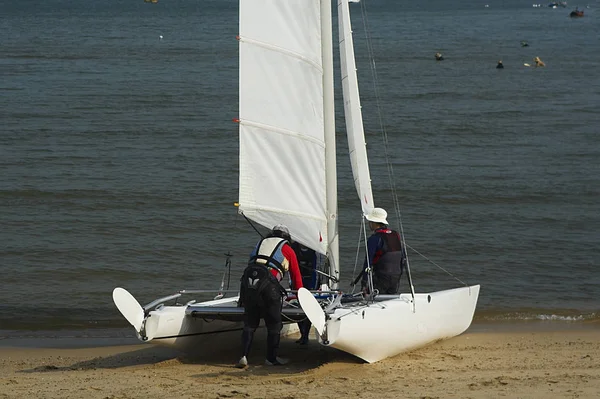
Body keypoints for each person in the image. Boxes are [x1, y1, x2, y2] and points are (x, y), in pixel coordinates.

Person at [236, 225, 304, 368]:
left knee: (250, 323)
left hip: (248, 286)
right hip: (269, 287)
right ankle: (271, 359)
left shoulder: (260, 243)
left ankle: (243, 356)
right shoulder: (287, 249)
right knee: (274, 324)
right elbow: (296, 278)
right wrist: (299, 297)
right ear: (286, 237)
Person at [359, 208, 406, 295]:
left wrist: (364, 282)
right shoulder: (395, 234)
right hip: (396, 276)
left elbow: (368, 262)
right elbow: (402, 257)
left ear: (374, 223)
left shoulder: (375, 238)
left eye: (370, 221)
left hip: (382, 277)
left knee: (375, 301)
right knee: (388, 301)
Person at [290, 242, 320, 345]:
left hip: (309, 282)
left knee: (307, 308)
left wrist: (313, 287)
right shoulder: (294, 248)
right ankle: (303, 334)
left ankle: (305, 335)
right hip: (298, 281)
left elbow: (315, 271)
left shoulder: (312, 253)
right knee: (298, 308)